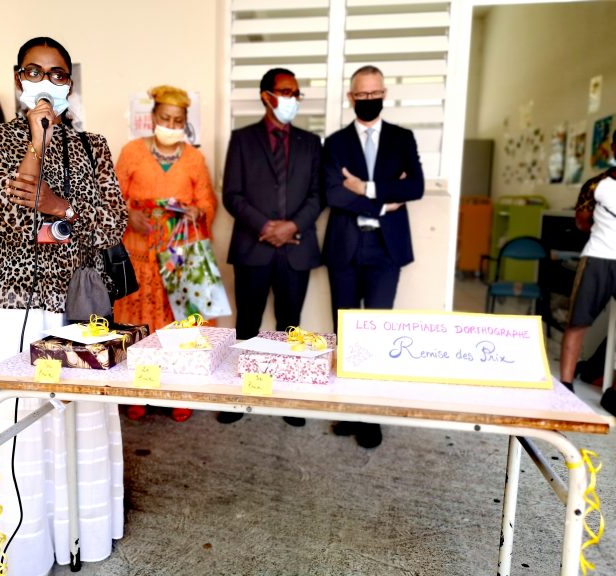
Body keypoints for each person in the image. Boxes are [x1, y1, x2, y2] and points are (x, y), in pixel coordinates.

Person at [0, 37, 128, 575]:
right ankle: (21, 550)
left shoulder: (93, 146)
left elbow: (112, 225)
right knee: (18, 426)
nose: (45, 83)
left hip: (78, 308)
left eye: (57, 75)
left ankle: (79, 535)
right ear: (18, 79)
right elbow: (3, 221)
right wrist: (36, 140)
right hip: (14, 308)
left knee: (78, 421)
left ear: (69, 85)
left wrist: (59, 208)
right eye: (34, 72)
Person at [323, 65, 425, 448]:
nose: (368, 100)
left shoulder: (402, 138)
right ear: (351, 97)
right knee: (346, 333)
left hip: (386, 248)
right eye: (361, 94)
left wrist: (364, 187)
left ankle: (371, 416)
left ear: (384, 94)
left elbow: (415, 188)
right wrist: (383, 202)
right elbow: (333, 193)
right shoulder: (335, 142)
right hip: (345, 245)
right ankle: (351, 410)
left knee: (377, 332)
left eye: (374, 93)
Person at [221, 67, 323, 426]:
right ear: (266, 96)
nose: (292, 99)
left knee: (289, 324)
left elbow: (318, 195)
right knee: (248, 322)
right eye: (286, 92)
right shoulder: (242, 139)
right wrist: (265, 227)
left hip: (296, 247)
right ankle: (244, 395)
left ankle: (286, 397)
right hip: (254, 246)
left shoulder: (311, 143)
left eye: (296, 93)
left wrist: (291, 226)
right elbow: (232, 194)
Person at [113, 85, 217, 423]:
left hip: (182, 253)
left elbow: (207, 201)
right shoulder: (131, 152)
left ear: (185, 122)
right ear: (153, 117)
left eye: (178, 121)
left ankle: (180, 392)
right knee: (140, 323)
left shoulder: (194, 158)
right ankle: (140, 392)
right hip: (141, 252)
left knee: (181, 327)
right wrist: (129, 215)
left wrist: (198, 212)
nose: (171, 125)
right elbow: (112, 198)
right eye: (165, 118)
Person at [559, 130, 616, 416]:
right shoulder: (596, 185)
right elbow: (581, 222)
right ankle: (565, 387)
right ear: (614, 148)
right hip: (598, 258)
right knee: (578, 322)